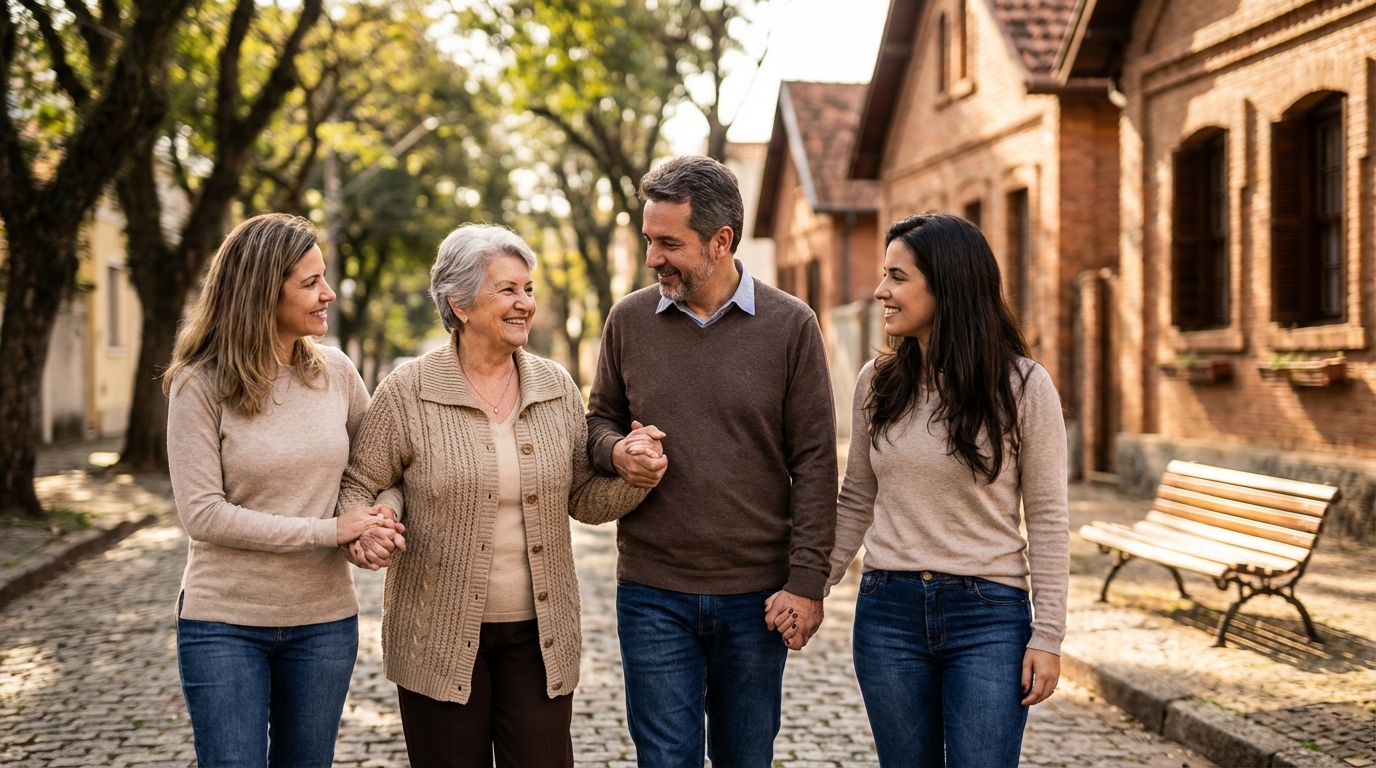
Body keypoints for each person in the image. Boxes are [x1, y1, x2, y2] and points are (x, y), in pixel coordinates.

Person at [337, 223, 663, 768]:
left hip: (540, 640)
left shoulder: (555, 387)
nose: (524, 304)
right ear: (458, 305)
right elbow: (357, 483)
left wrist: (636, 478)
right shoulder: (408, 390)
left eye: (528, 289)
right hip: (437, 638)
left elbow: (582, 496)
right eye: (507, 290)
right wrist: (366, 528)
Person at [586, 155, 838, 768]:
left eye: (669, 243)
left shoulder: (791, 325)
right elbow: (596, 422)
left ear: (720, 241)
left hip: (755, 597)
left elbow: (814, 462)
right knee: (665, 759)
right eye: (649, 240)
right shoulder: (628, 320)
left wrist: (806, 584)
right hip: (652, 591)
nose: (653, 258)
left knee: (743, 758)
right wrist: (617, 451)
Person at [821, 212, 1069, 768]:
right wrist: (814, 585)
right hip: (888, 612)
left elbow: (1049, 518)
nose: (881, 291)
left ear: (948, 285)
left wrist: (1048, 636)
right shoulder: (875, 383)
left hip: (989, 617)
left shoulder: (1024, 386)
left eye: (898, 277)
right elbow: (857, 498)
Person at [165, 213, 406, 767]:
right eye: (310, 283)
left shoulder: (338, 374)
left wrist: (379, 521)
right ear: (260, 292)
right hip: (223, 625)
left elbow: (382, 472)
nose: (329, 294)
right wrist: (331, 530)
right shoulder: (199, 383)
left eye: (325, 278)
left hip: (323, 625)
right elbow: (204, 515)